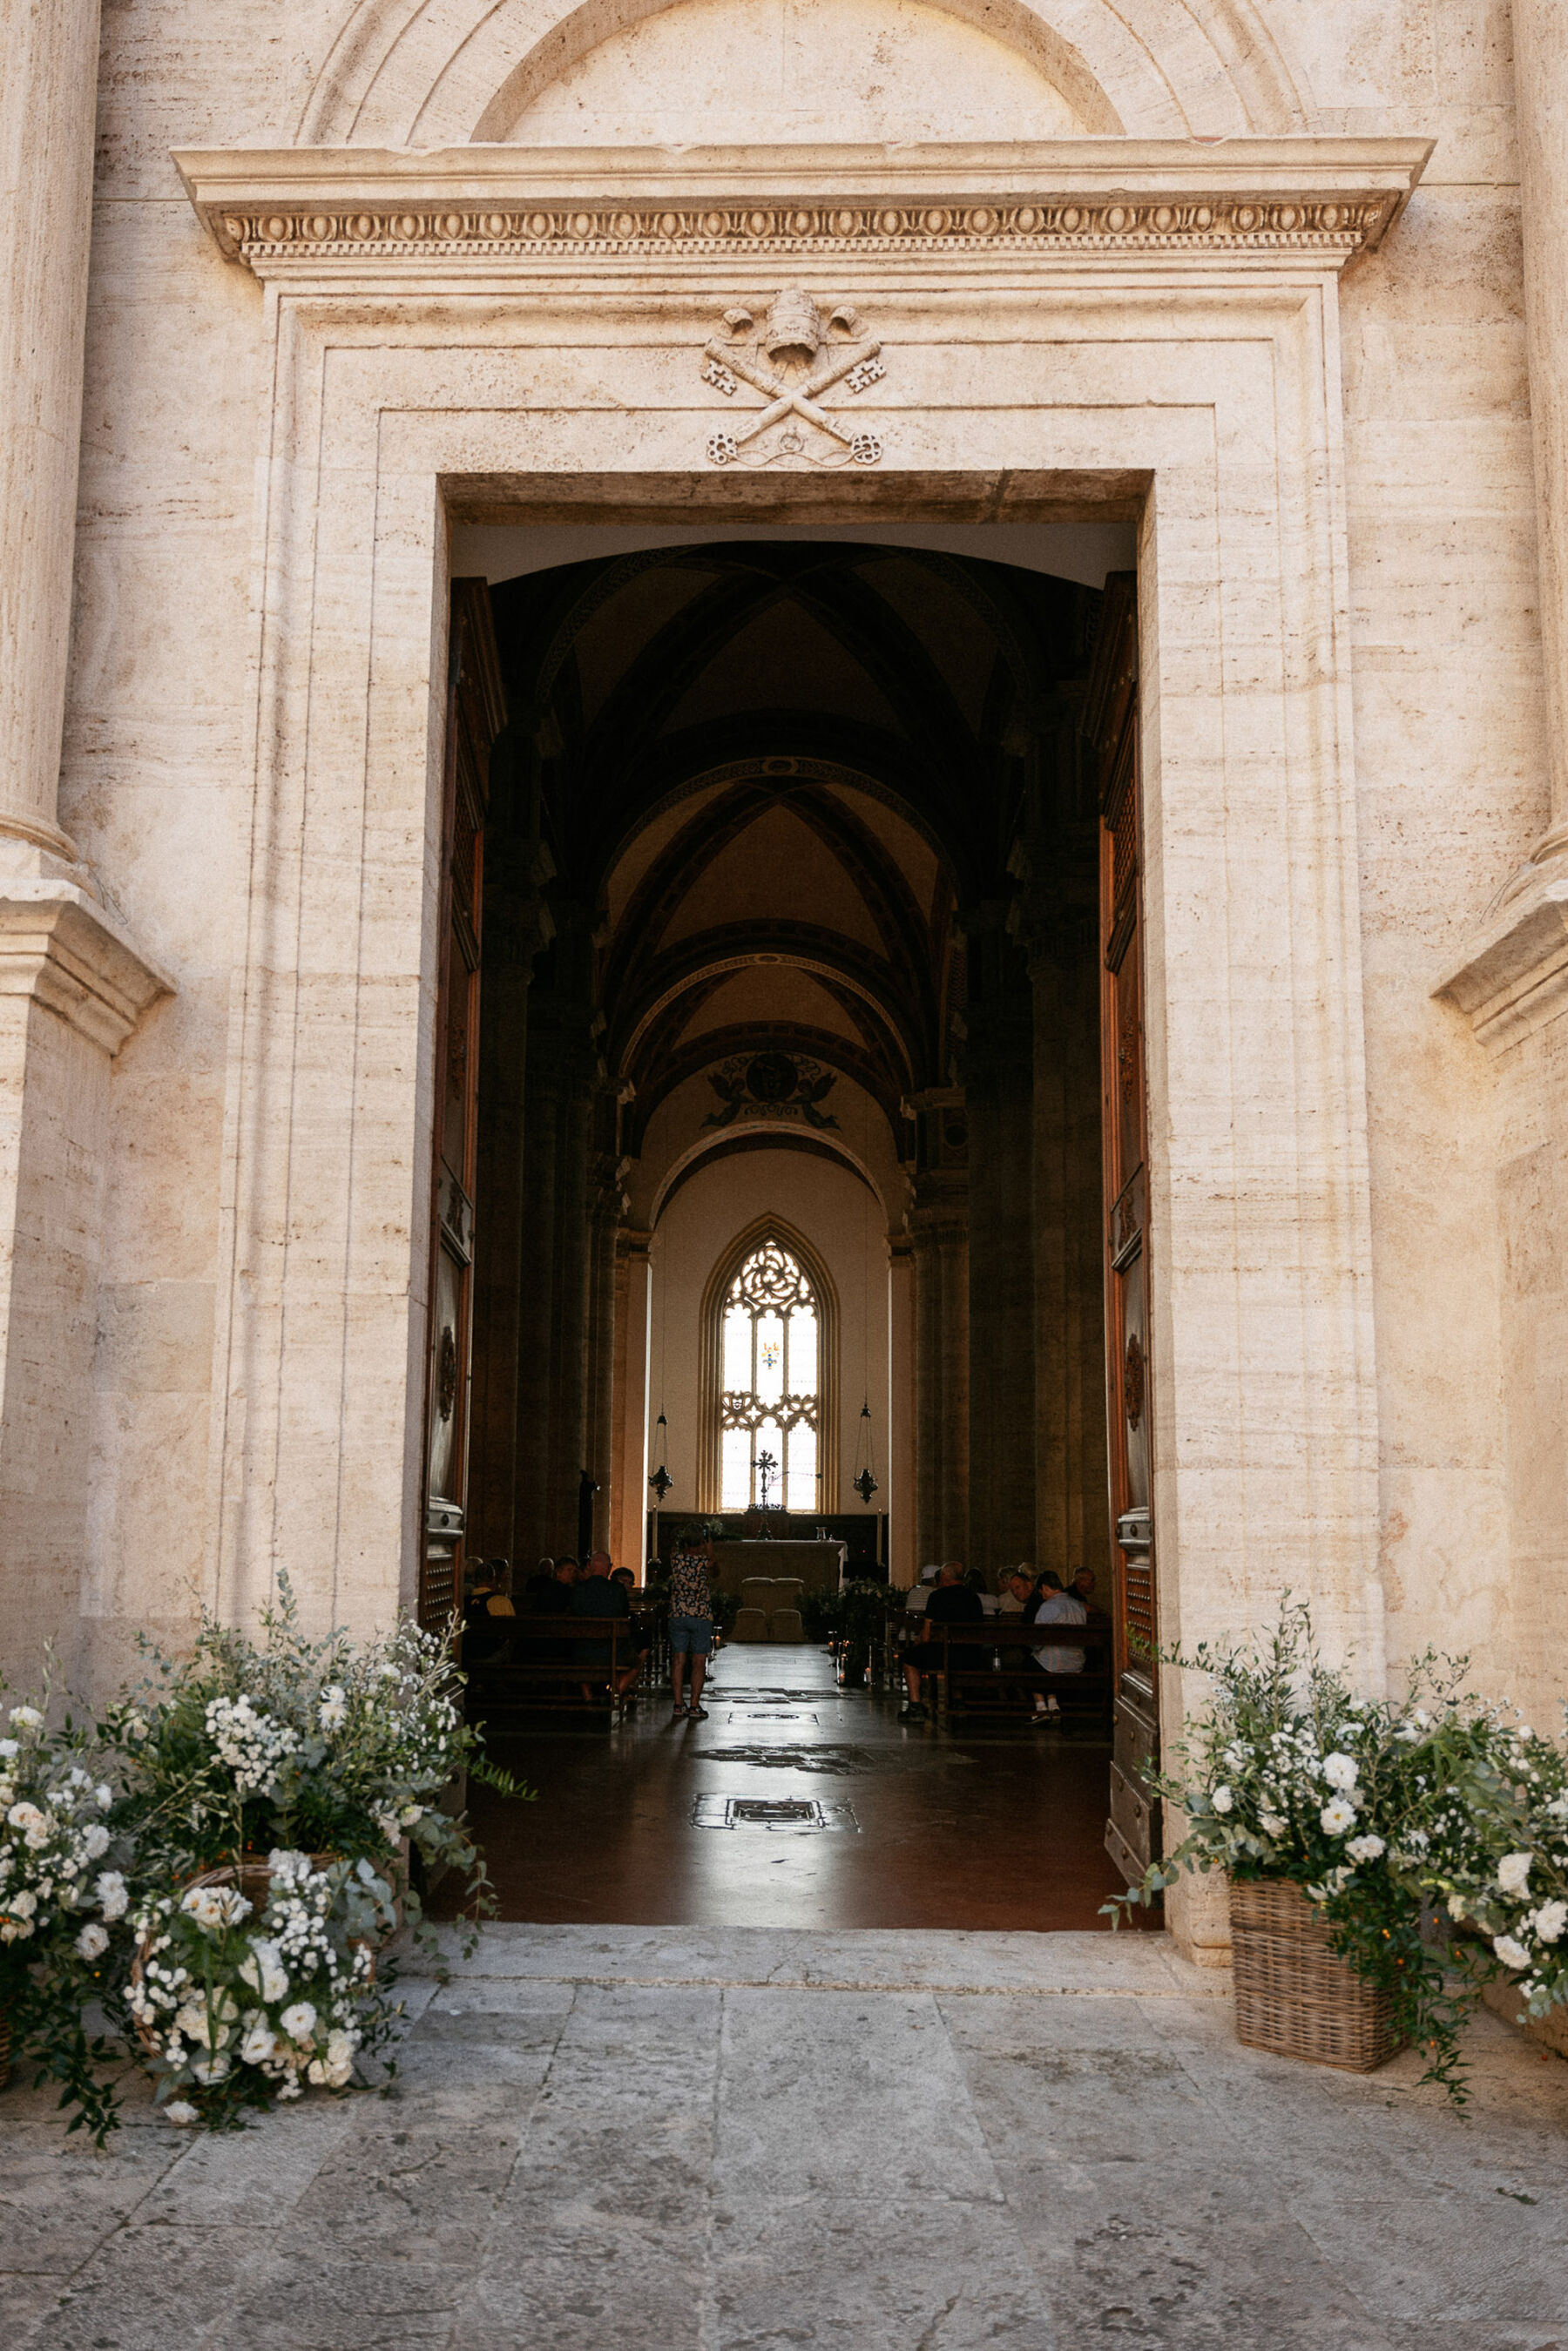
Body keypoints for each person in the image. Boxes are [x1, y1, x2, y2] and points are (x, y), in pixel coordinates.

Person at [901, 1560, 983, 1719]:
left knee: (909, 1658)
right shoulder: (973, 1597)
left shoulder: (937, 1596)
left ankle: (916, 1706)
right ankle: (958, 1700)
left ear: (944, 1577)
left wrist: (917, 1642)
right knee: (954, 1655)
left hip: (942, 1654)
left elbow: (926, 1635)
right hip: (972, 1655)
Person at [571, 1547, 632, 1701]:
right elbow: (624, 1615)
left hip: (581, 1650)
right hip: (611, 1650)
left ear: (590, 1566)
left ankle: (587, 1692)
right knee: (637, 1654)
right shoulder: (617, 1590)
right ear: (610, 1568)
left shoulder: (578, 1589)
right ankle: (618, 1688)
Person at [666, 1530, 715, 1719]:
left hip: (678, 1612)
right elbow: (715, 1571)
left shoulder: (676, 1559)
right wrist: (710, 1551)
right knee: (698, 1661)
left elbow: (672, 1548)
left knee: (678, 1659)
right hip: (700, 1614)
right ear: (702, 1543)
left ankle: (678, 1704)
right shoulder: (704, 1561)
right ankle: (694, 1706)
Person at [1031, 1573, 1088, 1719]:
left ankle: (1041, 1708)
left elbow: (1038, 1638)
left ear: (1044, 1588)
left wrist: (1034, 1648)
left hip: (1054, 1664)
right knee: (1045, 1658)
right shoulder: (1078, 1605)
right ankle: (1053, 1705)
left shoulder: (1048, 1606)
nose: (1042, 1595)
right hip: (1077, 1662)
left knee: (1032, 1661)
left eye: (1041, 1591)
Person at [463, 1559, 515, 1665]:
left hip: (466, 1655)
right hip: (493, 1655)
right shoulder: (500, 1601)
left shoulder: (463, 1602)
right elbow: (512, 1630)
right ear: (493, 1580)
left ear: (474, 1579)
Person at [611, 1565, 652, 1698]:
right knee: (642, 1646)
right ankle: (622, 1687)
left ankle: (627, 1684)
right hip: (616, 1641)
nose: (626, 1586)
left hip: (613, 1638)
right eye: (623, 1582)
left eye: (630, 1583)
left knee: (644, 1642)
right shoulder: (615, 1599)